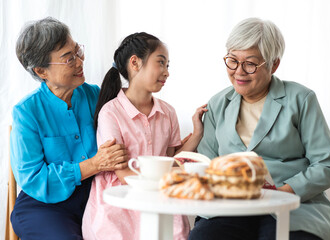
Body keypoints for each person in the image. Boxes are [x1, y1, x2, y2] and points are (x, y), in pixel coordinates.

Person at [188, 17, 330, 240]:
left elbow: (327, 165)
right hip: (230, 208)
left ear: (274, 64)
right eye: (232, 60)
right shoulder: (217, 104)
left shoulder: (301, 99)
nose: (239, 71)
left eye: (250, 63)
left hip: (291, 205)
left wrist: (281, 194)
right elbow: (206, 165)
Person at [10, 17, 128, 240]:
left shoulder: (96, 96)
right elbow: (34, 178)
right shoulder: (26, 112)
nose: (79, 61)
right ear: (41, 71)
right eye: (68, 58)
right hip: (43, 205)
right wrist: (93, 164)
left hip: (96, 197)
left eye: (78, 52)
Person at [81, 32, 207, 240]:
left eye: (168, 66)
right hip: (120, 200)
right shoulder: (110, 113)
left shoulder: (168, 112)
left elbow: (171, 160)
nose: (166, 72)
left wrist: (197, 131)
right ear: (135, 63)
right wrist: (167, 184)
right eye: (161, 63)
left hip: (158, 195)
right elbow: (123, 174)